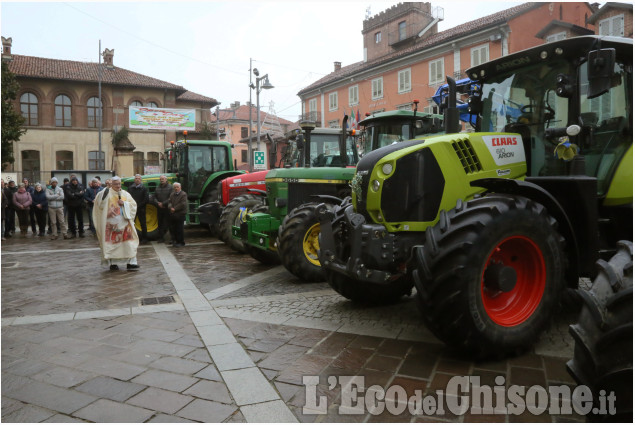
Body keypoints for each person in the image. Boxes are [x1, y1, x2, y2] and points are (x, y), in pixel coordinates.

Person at [93, 176, 140, 271]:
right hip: (111, 225)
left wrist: (125, 204)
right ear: (111, 184)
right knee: (112, 244)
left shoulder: (125, 194)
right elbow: (100, 203)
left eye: (119, 184)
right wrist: (106, 189)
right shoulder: (106, 193)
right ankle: (113, 264)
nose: (118, 186)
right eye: (116, 184)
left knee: (129, 243)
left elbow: (133, 205)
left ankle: (131, 263)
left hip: (125, 224)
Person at [150, 175, 172, 243]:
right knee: (160, 224)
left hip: (167, 208)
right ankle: (161, 238)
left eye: (163, 179)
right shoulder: (157, 187)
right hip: (159, 208)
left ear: (166, 179)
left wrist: (163, 203)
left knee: (168, 224)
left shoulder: (170, 187)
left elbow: (171, 198)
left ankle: (172, 238)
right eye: (160, 179)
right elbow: (154, 197)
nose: (161, 180)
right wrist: (158, 203)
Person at [128, 174, 149, 243]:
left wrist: (138, 206)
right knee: (131, 224)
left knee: (143, 224)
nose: (137, 179)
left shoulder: (144, 188)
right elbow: (128, 198)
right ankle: (131, 237)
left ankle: (144, 238)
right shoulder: (130, 188)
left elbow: (146, 199)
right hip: (132, 209)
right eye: (136, 178)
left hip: (141, 209)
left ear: (141, 180)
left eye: (139, 178)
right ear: (134, 180)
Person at [168, 182, 187, 247]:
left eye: (177, 187)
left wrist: (175, 209)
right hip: (173, 214)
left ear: (180, 187)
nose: (176, 188)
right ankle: (176, 241)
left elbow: (183, 204)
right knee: (174, 229)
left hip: (180, 214)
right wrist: (170, 207)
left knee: (179, 229)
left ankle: (181, 242)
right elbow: (169, 202)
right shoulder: (172, 194)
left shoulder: (183, 194)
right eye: (175, 187)